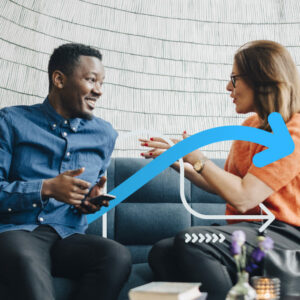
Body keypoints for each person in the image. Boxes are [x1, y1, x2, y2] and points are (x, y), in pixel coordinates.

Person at [140, 40, 300, 299]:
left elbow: (243, 196)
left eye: (234, 79)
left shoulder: (292, 132)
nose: (229, 87)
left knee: (192, 242)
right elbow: (229, 185)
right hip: (250, 231)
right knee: (162, 251)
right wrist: (182, 163)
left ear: (262, 80)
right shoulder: (250, 127)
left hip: (286, 235)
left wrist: (199, 158)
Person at [0, 43, 131, 300]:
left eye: (102, 83)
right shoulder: (10, 122)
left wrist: (87, 201)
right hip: (14, 232)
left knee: (116, 255)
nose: (99, 91)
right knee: (24, 257)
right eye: (91, 80)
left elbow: (84, 194)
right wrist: (46, 188)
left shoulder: (104, 134)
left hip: (68, 237)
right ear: (59, 79)